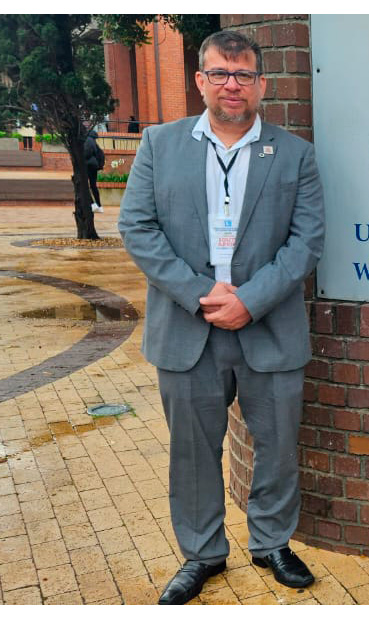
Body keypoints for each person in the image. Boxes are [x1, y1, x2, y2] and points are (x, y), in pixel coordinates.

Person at [118, 30, 325, 606]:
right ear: (200, 80)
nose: (232, 85)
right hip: (188, 329)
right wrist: (204, 294)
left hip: (270, 329)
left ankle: (271, 542)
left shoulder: (294, 153)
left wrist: (249, 300)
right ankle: (202, 553)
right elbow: (137, 228)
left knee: (278, 444)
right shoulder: (159, 145)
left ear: (261, 84)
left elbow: (306, 243)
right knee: (191, 451)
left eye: (243, 75)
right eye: (220, 74)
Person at [84, 130, 105, 212]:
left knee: (84, 185)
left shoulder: (87, 141)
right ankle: (99, 206)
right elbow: (101, 154)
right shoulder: (94, 143)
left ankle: (92, 204)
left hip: (86, 166)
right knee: (93, 186)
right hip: (94, 166)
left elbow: (86, 153)